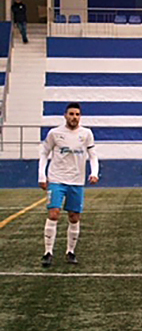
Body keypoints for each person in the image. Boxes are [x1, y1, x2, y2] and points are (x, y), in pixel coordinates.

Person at [38, 102, 99, 268]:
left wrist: (94, 173)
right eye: (71, 114)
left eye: (77, 114)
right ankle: (48, 252)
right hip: (57, 179)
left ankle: (70, 252)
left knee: (74, 216)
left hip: (77, 181)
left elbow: (93, 155)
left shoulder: (86, 133)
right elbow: (44, 153)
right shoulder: (55, 133)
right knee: (54, 213)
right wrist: (42, 176)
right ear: (65, 115)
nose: (74, 117)